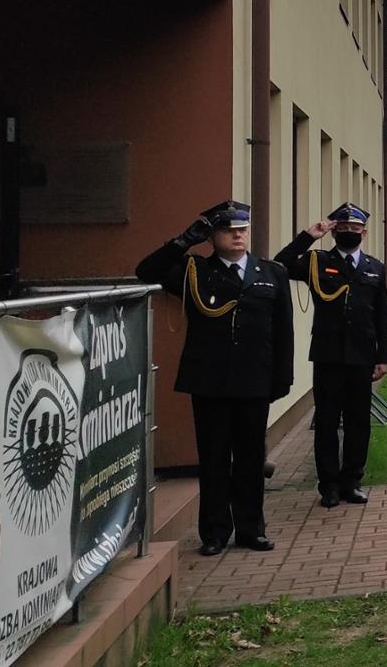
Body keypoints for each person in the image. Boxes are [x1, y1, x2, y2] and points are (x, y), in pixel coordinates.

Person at [136, 200, 293, 557]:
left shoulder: (271, 272)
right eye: (228, 230)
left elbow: (283, 330)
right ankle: (215, 532)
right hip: (210, 382)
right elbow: (146, 271)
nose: (238, 236)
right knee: (214, 458)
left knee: (251, 459)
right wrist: (181, 242)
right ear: (212, 235)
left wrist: (283, 376)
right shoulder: (195, 271)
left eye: (242, 230)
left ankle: (251, 529)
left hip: (254, 380)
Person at [274, 202, 387, 508]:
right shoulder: (315, 261)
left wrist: (384, 357)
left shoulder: (374, 268)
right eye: (344, 228)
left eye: (355, 229)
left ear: (364, 232)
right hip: (328, 355)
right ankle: (328, 486)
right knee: (326, 422)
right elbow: (281, 263)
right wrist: (309, 236)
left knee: (358, 422)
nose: (350, 232)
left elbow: (381, 316)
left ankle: (352, 481)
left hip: (361, 356)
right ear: (334, 231)